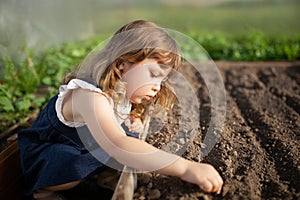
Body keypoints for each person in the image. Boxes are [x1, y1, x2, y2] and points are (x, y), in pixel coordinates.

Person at [18, 20, 223, 200]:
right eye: (153, 74)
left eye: (162, 79)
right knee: (111, 147)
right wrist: (185, 167)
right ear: (123, 62)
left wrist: (132, 116)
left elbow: (118, 118)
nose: (157, 86)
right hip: (45, 159)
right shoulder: (90, 97)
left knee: (127, 133)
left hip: (81, 147)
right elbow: (118, 144)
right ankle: (44, 192)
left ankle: (101, 176)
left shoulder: (121, 90)